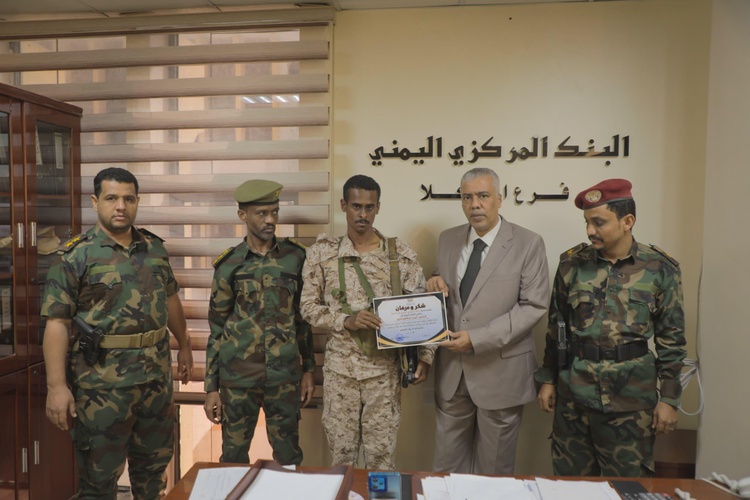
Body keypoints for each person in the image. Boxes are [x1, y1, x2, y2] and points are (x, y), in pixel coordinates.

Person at [41, 167, 193, 499]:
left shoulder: (154, 248)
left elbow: (170, 299)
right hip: (102, 386)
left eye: (128, 199)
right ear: (95, 202)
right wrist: (56, 387)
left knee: (153, 477)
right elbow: (57, 323)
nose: (121, 206)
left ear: (137, 201)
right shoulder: (75, 256)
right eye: (112, 198)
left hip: (155, 381)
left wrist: (184, 344)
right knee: (98, 483)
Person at [535, 178, 687, 477]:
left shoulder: (660, 269)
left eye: (599, 222)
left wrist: (669, 399)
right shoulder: (572, 265)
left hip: (630, 401)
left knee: (628, 489)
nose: (590, 231)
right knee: (570, 488)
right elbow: (557, 327)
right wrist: (548, 379)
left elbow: (672, 339)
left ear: (627, 221)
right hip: (574, 398)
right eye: (587, 223)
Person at [299, 174, 433, 470]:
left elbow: (420, 311)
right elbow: (307, 307)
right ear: (343, 205)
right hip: (340, 374)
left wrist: (425, 357)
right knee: (342, 459)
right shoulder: (323, 253)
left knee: (382, 461)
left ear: (378, 207)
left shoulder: (400, 256)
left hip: (384, 375)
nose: (362, 214)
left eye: (369, 207)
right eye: (356, 206)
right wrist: (345, 320)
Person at [428, 167, 550, 475]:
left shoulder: (528, 243)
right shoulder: (448, 239)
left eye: (483, 196)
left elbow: (533, 306)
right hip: (452, 374)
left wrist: (476, 338)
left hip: (501, 373)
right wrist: (433, 281)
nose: (475, 205)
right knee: (446, 471)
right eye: (467, 197)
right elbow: (453, 292)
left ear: (499, 198)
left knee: (493, 475)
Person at [203, 179, 315, 465]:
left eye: (274, 212)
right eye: (262, 213)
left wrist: (308, 370)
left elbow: (303, 320)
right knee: (233, 459)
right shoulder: (229, 264)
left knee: (289, 458)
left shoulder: (295, 258)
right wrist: (211, 388)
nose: (270, 220)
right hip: (238, 379)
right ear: (243, 215)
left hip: (284, 377)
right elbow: (217, 328)